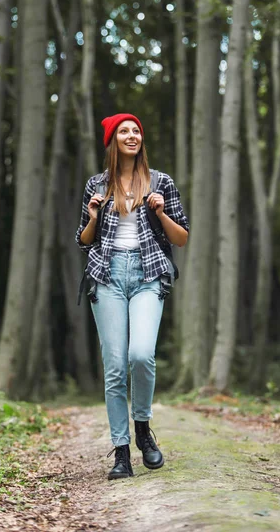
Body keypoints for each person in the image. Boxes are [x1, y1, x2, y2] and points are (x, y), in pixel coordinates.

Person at [75, 113, 189, 480]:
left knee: (140, 355)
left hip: (147, 274)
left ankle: (143, 428)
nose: (131, 135)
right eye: (124, 131)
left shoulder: (160, 182)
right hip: (106, 276)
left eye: (136, 130)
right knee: (113, 368)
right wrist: (93, 215)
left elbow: (182, 237)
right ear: (112, 140)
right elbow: (83, 240)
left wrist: (159, 210)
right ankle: (121, 453)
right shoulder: (97, 183)